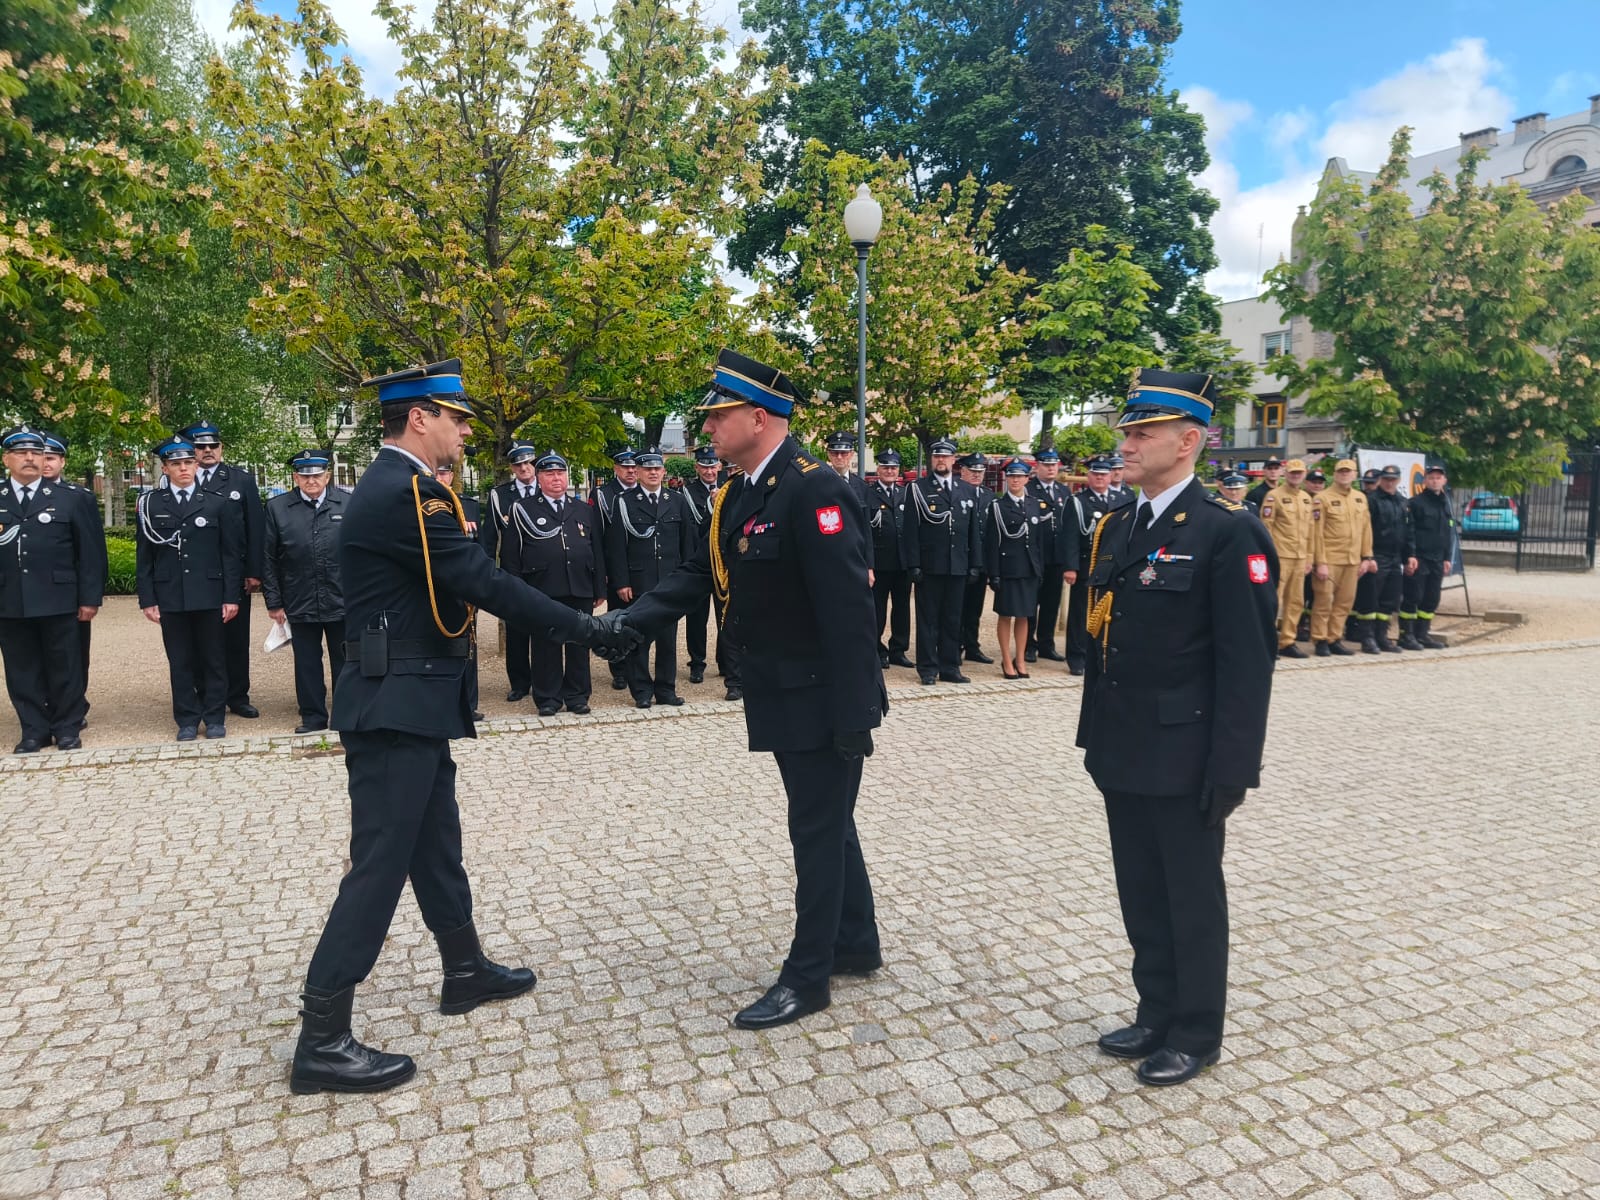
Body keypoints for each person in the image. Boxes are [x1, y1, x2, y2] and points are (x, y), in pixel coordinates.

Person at [290, 356, 636, 1096]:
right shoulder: (407, 493)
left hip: (410, 699)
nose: (466, 430)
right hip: (394, 704)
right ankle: (321, 1038)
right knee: (379, 866)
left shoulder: (402, 487)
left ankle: (464, 968)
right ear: (420, 418)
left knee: (434, 845)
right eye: (456, 417)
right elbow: (483, 580)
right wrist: (589, 629)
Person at [620, 349, 885, 1031]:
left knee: (815, 831)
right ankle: (856, 941)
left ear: (760, 418)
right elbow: (694, 575)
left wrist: (857, 712)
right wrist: (623, 626)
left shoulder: (815, 489)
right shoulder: (738, 493)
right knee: (828, 821)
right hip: (780, 691)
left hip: (822, 698)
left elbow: (850, 613)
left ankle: (809, 976)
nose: (707, 428)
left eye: (718, 416)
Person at [1078, 368, 1277, 1088]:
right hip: (1123, 745)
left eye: (1143, 433)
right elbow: (1104, 641)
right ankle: (1155, 1009)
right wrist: (1093, 736)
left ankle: (1195, 1031)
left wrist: (1232, 769)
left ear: (1188, 442)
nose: (1126, 444)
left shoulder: (1228, 531)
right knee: (1140, 890)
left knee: (1190, 897)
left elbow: (1247, 664)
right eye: (1127, 431)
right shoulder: (1119, 524)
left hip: (1186, 753)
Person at [0, 426, 105, 753]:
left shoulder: (71, 498)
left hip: (60, 598)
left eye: (36, 452)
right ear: (6, 459)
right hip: (9, 598)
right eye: (21, 453)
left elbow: (90, 553)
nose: (30, 458)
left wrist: (90, 598)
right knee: (21, 669)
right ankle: (34, 731)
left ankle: (67, 727)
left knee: (65, 666)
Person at [135, 436, 245, 741]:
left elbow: (230, 554)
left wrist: (231, 597)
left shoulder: (216, 503)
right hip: (170, 594)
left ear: (196, 466)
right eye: (176, 464)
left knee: (214, 658)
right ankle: (186, 718)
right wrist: (147, 598)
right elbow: (144, 556)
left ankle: (214, 717)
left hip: (209, 593)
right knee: (180, 661)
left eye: (188, 462)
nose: (183, 468)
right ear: (165, 468)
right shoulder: (150, 504)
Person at [180, 421, 265, 720]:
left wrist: (254, 571)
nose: (207, 451)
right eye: (200, 446)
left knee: (236, 638)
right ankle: (204, 694)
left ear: (221, 448)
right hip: (198, 572)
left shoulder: (241, 480)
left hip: (234, 572)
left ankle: (238, 696)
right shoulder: (183, 479)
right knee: (198, 638)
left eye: (212, 446)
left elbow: (255, 527)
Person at [262, 449, 347, 734]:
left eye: (317, 475)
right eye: (305, 476)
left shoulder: (347, 503)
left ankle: (346, 714)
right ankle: (312, 717)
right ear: (295, 478)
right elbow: (268, 558)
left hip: (341, 596)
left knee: (345, 660)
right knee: (307, 662)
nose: (312, 481)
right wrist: (274, 602)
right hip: (299, 597)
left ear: (327, 476)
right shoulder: (277, 508)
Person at [516, 450, 605, 715]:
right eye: (549, 474)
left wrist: (599, 587)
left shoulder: (583, 509)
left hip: (579, 585)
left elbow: (597, 550)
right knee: (546, 646)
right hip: (542, 588)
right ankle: (548, 698)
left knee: (579, 645)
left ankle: (577, 696)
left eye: (560, 473)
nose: (556, 478)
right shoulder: (524, 509)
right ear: (539, 478)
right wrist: (516, 592)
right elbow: (511, 555)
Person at [604, 449, 694, 708]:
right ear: (639, 472)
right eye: (647, 469)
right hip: (639, 582)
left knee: (667, 641)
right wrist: (622, 581)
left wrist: (686, 579)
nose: (653, 473)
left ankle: (666, 690)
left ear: (664, 472)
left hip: (669, 582)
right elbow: (616, 546)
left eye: (657, 468)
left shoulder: (676, 500)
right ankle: (642, 691)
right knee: (638, 640)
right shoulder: (624, 502)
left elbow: (687, 543)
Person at [901, 437, 982, 685]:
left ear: (953, 460)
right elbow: (910, 530)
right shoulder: (918, 489)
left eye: (945, 456)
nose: (941, 460)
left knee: (953, 619)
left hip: (957, 565)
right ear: (932, 459)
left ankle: (950, 667)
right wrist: (913, 564)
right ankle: (927, 668)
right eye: (937, 456)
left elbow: (973, 531)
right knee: (928, 620)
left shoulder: (966, 490)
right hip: (930, 565)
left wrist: (975, 564)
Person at [37, 431, 103, 724]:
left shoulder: (79, 497)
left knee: (73, 655)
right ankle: (42, 709)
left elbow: (92, 551)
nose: (44, 463)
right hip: (28, 591)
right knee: (33, 656)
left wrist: (90, 596)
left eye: (51, 458)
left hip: (69, 593)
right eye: (40, 457)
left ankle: (73, 706)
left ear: (62, 461)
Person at [478, 443, 541, 701]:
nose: (524, 468)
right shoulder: (500, 495)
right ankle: (519, 683)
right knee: (516, 631)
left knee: (544, 628)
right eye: (518, 464)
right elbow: (489, 538)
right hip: (513, 571)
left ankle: (545, 680)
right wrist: (486, 575)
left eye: (528, 462)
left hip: (544, 571)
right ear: (512, 468)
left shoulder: (547, 488)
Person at [1065, 458, 1131, 676]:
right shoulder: (1078, 501)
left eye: (1104, 474)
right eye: (1096, 474)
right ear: (1089, 476)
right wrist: (1071, 567)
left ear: (1111, 476)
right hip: (1088, 564)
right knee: (1081, 612)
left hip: (1114, 565)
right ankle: (1077, 656)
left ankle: (1102, 653)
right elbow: (1071, 536)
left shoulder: (1123, 498)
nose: (1100, 478)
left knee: (1111, 612)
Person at [987, 459, 1051, 679]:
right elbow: (992, 543)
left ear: (1026, 479)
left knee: (1025, 616)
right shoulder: (997, 506)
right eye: (1011, 476)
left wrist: (1039, 569)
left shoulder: (1034, 504)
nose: (1015, 480)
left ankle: (1020, 659)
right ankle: (1007, 660)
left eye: (1019, 476)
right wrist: (994, 573)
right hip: (1008, 569)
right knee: (1006, 615)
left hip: (1029, 568)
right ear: (1007, 479)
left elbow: (1038, 541)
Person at [1308, 460, 1373, 657]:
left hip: (1352, 560)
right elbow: (1316, 532)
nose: (1344, 474)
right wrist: (1320, 562)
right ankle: (1320, 639)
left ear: (1355, 474)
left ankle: (1334, 638)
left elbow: (1366, 529)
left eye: (1348, 471)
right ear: (1335, 474)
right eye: (1341, 471)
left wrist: (1367, 556)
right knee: (1324, 601)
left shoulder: (1360, 498)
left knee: (1345, 602)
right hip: (1330, 559)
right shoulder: (1322, 498)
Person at [435, 463, 483, 720]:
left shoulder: (468, 505)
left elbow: (480, 549)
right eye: (435, 473)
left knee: (468, 649)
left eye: (444, 473)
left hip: (465, 589)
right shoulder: (420, 506)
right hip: (435, 588)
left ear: (452, 476)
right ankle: (442, 705)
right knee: (438, 649)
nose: (440, 477)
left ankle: (468, 705)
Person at [590, 448, 639, 693]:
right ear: (616, 469)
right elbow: (597, 537)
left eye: (633, 467)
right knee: (618, 621)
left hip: (641, 569)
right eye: (625, 467)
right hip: (615, 569)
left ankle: (638, 669)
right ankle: (619, 670)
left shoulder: (644, 492)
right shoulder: (603, 494)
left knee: (640, 621)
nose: (630, 471)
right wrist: (602, 573)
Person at [1024, 448, 1077, 663]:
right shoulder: (1029, 489)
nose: (1051, 468)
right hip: (1035, 556)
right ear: (1037, 466)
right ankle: (1028, 644)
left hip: (1056, 557)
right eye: (1046, 465)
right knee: (1031, 603)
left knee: (1051, 603)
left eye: (1054, 465)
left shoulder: (1063, 491)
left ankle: (1046, 644)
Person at [1258, 459, 1315, 659]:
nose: (1296, 476)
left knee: (1296, 602)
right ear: (1285, 473)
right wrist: (1269, 556)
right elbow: (1266, 528)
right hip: (1280, 556)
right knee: (1274, 601)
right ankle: (1268, 642)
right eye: (1292, 473)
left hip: (1300, 557)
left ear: (1304, 474)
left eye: (1299, 473)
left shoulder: (1306, 498)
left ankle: (1287, 641)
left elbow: (1311, 530)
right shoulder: (1274, 496)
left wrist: (1309, 557)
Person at [680, 446, 725, 687]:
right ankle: (697, 663)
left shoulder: (728, 486)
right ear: (697, 467)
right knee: (696, 617)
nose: (709, 471)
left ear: (719, 466)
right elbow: (690, 528)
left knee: (725, 615)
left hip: (723, 563)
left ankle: (726, 661)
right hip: (699, 562)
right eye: (704, 467)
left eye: (713, 466)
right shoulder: (687, 492)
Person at [868, 449, 912, 669]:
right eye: (885, 467)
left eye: (893, 468)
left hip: (903, 563)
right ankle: (877, 649)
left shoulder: (906, 494)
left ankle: (898, 650)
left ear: (898, 471)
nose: (889, 471)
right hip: (880, 562)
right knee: (877, 609)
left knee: (902, 608)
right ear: (878, 469)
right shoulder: (869, 494)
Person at [1401, 462, 1453, 650]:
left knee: (1432, 598)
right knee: (1413, 596)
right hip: (1420, 558)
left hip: (1438, 559)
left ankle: (1422, 634)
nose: (1435, 481)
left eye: (1438, 478)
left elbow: (1447, 532)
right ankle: (1406, 635)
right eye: (1431, 478)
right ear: (1425, 481)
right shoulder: (1415, 503)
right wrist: (1411, 555)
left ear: (1444, 480)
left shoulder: (1445, 503)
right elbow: (1409, 532)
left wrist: (1447, 558)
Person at [1364, 465, 1416, 653]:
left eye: (1393, 479)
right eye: (1386, 479)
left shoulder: (1403, 502)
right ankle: (1368, 638)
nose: (1389, 483)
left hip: (1395, 557)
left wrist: (1410, 555)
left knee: (1390, 599)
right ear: (1380, 480)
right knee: (1371, 598)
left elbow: (1409, 531)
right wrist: (1368, 556)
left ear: (1399, 480)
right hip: (1377, 554)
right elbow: (1365, 530)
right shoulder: (1371, 500)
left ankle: (1382, 636)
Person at [958, 452, 995, 665]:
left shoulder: (989, 496)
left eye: (980, 472)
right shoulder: (956, 492)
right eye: (972, 471)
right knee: (957, 607)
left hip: (982, 561)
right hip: (961, 560)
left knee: (975, 607)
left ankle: (972, 645)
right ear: (962, 471)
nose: (976, 475)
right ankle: (955, 646)